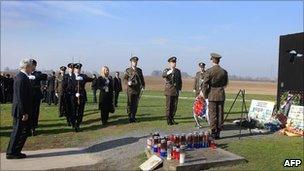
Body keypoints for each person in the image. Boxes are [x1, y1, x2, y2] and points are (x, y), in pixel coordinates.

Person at [6, 59, 33, 159]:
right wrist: (24, 112)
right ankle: (12, 152)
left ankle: (14, 151)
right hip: (20, 111)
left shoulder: (21, 76)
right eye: (31, 66)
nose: (32, 68)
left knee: (20, 131)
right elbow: (20, 97)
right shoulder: (21, 78)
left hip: (21, 110)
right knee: (18, 132)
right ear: (27, 67)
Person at [202, 53, 228, 139]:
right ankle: (218, 132)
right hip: (221, 94)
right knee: (220, 114)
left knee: (212, 114)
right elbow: (225, 84)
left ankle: (213, 132)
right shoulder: (224, 71)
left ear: (212, 60)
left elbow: (205, 84)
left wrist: (205, 95)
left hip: (212, 94)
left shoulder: (209, 71)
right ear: (218, 61)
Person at [28, 59, 48, 136]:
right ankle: (28, 127)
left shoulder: (37, 73)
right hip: (27, 96)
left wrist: (36, 76)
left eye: (33, 65)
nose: (31, 66)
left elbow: (45, 76)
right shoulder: (26, 73)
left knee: (35, 112)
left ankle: (33, 128)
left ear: (35, 66)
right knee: (28, 112)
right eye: (30, 64)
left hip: (36, 96)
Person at [124, 56, 145, 123]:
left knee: (135, 104)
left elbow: (142, 79)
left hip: (137, 89)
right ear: (131, 62)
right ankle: (130, 117)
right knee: (130, 103)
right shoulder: (128, 70)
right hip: (130, 89)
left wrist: (143, 86)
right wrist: (128, 82)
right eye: (133, 62)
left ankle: (133, 116)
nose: (135, 63)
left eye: (136, 62)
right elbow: (124, 79)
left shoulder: (139, 70)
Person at [73, 63, 93, 132]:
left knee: (80, 111)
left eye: (79, 69)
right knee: (74, 111)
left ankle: (78, 124)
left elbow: (90, 79)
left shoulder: (83, 76)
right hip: (73, 96)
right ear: (74, 69)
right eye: (76, 68)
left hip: (82, 96)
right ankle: (74, 122)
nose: (78, 70)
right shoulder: (71, 76)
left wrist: (95, 78)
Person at [162, 56, 182, 125]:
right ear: (169, 63)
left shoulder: (177, 71)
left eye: (175, 62)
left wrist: (180, 89)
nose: (174, 64)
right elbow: (163, 75)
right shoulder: (167, 70)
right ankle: (168, 120)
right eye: (173, 62)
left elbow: (180, 81)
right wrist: (169, 72)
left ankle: (172, 118)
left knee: (174, 106)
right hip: (169, 91)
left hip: (176, 91)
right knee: (169, 106)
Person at [62, 63, 76, 127]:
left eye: (73, 68)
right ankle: (68, 120)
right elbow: (63, 86)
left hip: (73, 94)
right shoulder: (65, 76)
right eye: (70, 68)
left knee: (73, 108)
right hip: (67, 94)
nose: (72, 69)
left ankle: (73, 121)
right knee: (67, 108)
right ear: (68, 69)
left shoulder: (75, 76)